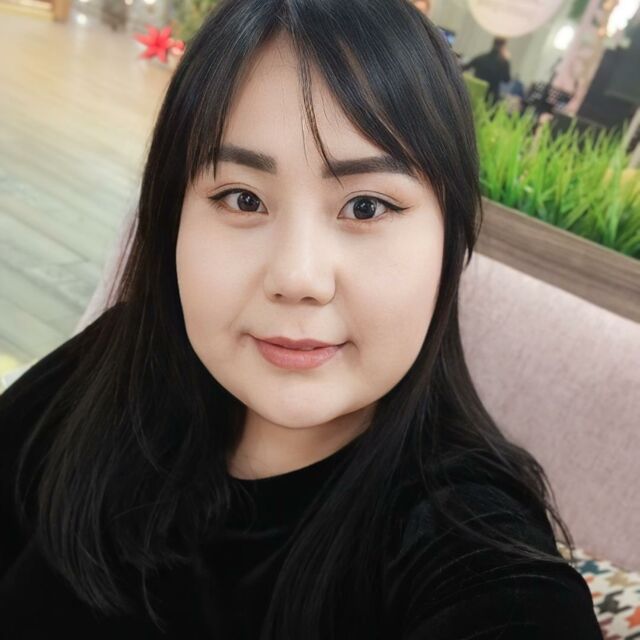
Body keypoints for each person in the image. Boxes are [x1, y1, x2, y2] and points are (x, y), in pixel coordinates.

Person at [0, 0, 604, 638]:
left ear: (450, 243)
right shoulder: (111, 365)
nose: (297, 277)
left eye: (366, 206)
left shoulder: (466, 542)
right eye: (243, 198)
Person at [462, 36, 512, 106]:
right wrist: (506, 60)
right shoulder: (503, 63)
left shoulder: (481, 58)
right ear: (503, 46)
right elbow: (507, 80)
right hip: (491, 100)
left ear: (493, 43)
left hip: (475, 96)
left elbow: (464, 68)